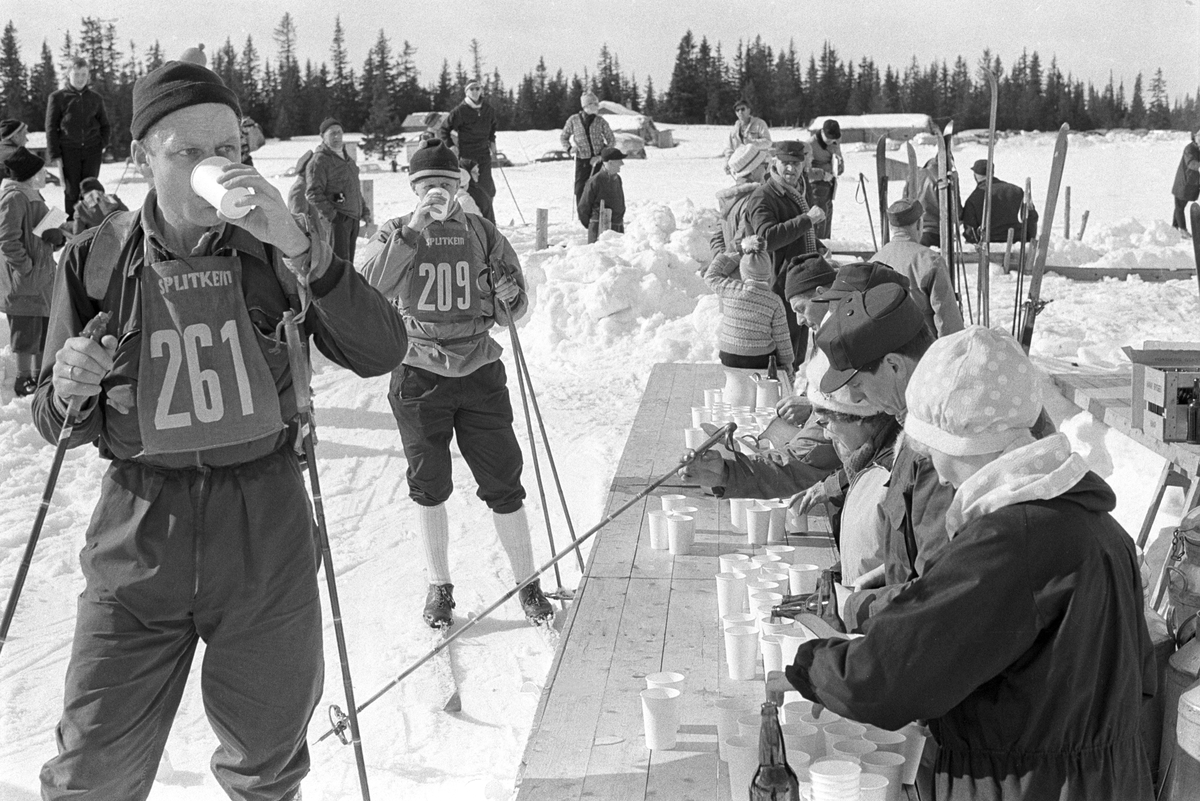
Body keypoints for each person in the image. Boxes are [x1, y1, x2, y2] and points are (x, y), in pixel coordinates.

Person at [32, 60, 408, 800]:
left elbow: (382, 350)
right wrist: (68, 385)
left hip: (264, 529)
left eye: (231, 149)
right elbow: (54, 418)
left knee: (266, 768)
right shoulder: (97, 259)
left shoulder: (276, 246)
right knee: (90, 774)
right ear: (141, 157)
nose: (217, 167)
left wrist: (304, 249)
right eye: (189, 153)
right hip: (140, 534)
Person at [785, 326, 1155, 801]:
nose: (934, 469)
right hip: (1112, 781)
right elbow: (1139, 679)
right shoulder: (1101, 529)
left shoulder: (1010, 541)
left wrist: (810, 665)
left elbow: (884, 677)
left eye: (931, 446)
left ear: (964, 441)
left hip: (1026, 787)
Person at [360, 139, 554, 629]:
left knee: (504, 480)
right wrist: (411, 232)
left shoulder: (482, 232)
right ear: (413, 190)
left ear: (460, 188)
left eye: (446, 186)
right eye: (427, 187)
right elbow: (368, 293)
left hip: (479, 370)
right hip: (418, 370)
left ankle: (527, 582)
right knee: (429, 484)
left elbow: (517, 309)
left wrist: (511, 295)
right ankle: (439, 585)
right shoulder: (395, 232)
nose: (437, 195)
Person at [802, 284, 952, 630]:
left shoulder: (939, 445)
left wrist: (858, 607)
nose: (854, 398)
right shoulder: (914, 425)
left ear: (895, 366)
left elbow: (941, 590)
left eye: (857, 383)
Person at [681, 256, 841, 503]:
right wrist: (727, 473)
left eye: (800, 309)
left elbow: (829, 435)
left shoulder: (846, 347)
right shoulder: (825, 334)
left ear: (821, 294)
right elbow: (813, 445)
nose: (798, 320)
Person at [805, 349, 899, 587]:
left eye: (826, 423)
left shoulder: (886, 474)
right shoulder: (868, 458)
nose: (826, 434)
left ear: (856, 415)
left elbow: (897, 568)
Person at [745, 141, 827, 372]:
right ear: (774, 163)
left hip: (798, 280)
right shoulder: (764, 196)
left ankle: (790, 393)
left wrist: (816, 247)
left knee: (798, 348)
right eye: (786, 163)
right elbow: (766, 238)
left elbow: (795, 232)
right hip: (778, 283)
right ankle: (776, 398)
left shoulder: (797, 190)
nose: (791, 169)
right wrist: (807, 220)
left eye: (796, 164)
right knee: (782, 350)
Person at [704, 234, 795, 408]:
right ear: (768, 275)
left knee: (735, 385)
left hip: (729, 356)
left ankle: (735, 400)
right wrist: (787, 364)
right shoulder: (774, 301)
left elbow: (710, 276)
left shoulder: (731, 288)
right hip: (759, 359)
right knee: (766, 374)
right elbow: (782, 337)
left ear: (743, 272)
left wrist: (729, 256)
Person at [1, 146, 64, 396]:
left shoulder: (31, 194)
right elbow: (7, 240)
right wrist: (26, 268)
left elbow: (39, 231)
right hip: (26, 279)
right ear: (29, 174)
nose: (44, 175)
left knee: (42, 328)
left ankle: (39, 378)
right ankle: (22, 378)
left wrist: (55, 236)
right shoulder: (15, 197)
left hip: (41, 275)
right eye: (40, 171)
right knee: (25, 331)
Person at [871, 199, 964, 336]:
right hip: (924, 348)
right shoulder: (930, 261)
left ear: (892, 227)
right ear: (919, 224)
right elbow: (948, 322)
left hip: (886, 348)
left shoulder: (873, 261)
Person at [45, 57, 110, 222]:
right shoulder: (58, 97)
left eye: (84, 74)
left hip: (92, 151)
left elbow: (105, 125)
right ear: (68, 75)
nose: (80, 78)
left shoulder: (95, 98)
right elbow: (51, 127)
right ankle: (73, 228)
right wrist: (56, 154)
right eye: (76, 74)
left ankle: (91, 226)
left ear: (88, 75)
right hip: (69, 151)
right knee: (72, 191)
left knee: (90, 189)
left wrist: (101, 144)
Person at [306, 116, 370, 264]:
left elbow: (354, 188)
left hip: (353, 218)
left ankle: (348, 287)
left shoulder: (348, 160)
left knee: (348, 264)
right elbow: (313, 193)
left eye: (339, 132)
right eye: (332, 133)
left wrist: (364, 211)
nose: (337, 136)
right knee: (337, 264)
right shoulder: (319, 161)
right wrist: (334, 216)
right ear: (322, 137)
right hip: (337, 221)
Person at [438, 80, 498, 222]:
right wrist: (451, 145)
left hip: (484, 154)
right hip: (467, 156)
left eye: (478, 88)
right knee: (472, 190)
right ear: (467, 92)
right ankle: (472, 219)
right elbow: (443, 129)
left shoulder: (488, 109)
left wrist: (492, 141)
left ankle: (488, 221)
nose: (475, 92)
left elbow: (492, 127)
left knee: (488, 189)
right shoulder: (460, 111)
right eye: (472, 89)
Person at [711, 143, 770, 258]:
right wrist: (723, 266)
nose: (766, 170)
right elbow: (742, 241)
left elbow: (717, 237)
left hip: (731, 268)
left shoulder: (729, 198)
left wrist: (719, 259)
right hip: (747, 269)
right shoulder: (755, 199)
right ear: (753, 170)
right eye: (764, 165)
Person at [960, 159, 1038, 245]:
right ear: (992, 172)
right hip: (1016, 245)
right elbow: (1031, 217)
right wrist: (1029, 241)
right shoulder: (1017, 191)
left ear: (975, 175)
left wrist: (974, 245)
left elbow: (970, 232)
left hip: (989, 249)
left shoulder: (973, 198)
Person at [560, 92, 615, 205]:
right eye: (595, 104)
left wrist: (601, 156)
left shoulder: (600, 121)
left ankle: (598, 213)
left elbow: (612, 140)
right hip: (582, 160)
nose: (597, 106)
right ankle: (583, 213)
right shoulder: (573, 120)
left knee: (599, 187)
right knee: (580, 188)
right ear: (587, 106)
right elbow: (563, 137)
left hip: (598, 160)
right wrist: (570, 149)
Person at [577, 147, 625, 242]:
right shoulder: (595, 181)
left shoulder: (617, 179)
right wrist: (593, 224)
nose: (622, 164)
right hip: (599, 228)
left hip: (617, 227)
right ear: (611, 162)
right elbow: (583, 207)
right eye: (619, 161)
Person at [806, 119, 843, 238]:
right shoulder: (810, 144)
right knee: (819, 219)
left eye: (835, 139)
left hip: (829, 186)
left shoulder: (835, 142)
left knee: (827, 218)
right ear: (822, 132)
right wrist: (822, 174)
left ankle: (827, 244)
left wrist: (840, 166)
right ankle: (818, 247)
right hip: (815, 187)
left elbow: (838, 158)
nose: (832, 141)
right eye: (829, 138)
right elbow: (805, 170)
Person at [1171, 128, 1200, 237]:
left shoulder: (1197, 149)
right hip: (1183, 182)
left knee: (1180, 206)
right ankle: (1182, 229)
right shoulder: (1190, 149)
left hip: (1191, 183)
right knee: (1179, 206)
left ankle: (1174, 228)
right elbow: (1191, 163)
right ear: (1196, 138)